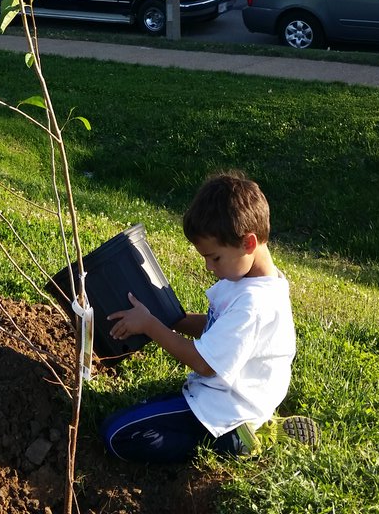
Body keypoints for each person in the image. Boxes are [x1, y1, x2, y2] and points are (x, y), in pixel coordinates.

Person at [101, 172, 318, 462]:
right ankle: (244, 431)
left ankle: (234, 442)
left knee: (117, 434)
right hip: (222, 399)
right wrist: (173, 319)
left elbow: (205, 364)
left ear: (248, 244)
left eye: (214, 257)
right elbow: (217, 328)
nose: (208, 267)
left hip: (227, 408)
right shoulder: (248, 279)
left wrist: (150, 326)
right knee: (132, 418)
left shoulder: (254, 303)